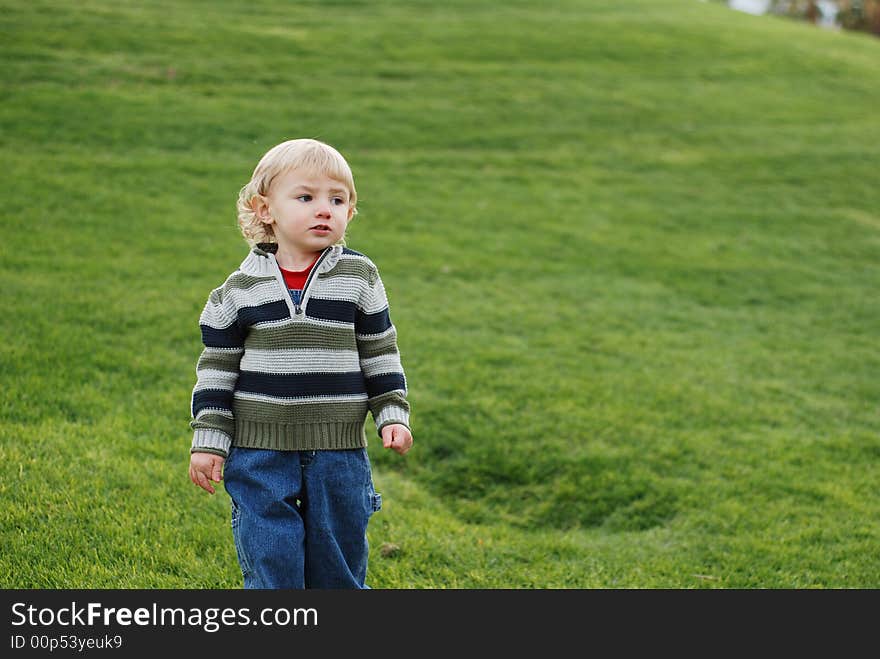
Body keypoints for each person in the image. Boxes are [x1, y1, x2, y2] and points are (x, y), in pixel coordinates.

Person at [187, 138, 413, 589]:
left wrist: (391, 411)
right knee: (272, 560)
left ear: (350, 211)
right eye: (306, 197)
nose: (324, 209)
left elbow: (379, 349)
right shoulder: (236, 292)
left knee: (338, 562)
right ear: (265, 209)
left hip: (339, 452)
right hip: (258, 453)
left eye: (338, 199)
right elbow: (217, 370)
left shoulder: (360, 277)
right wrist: (209, 440)